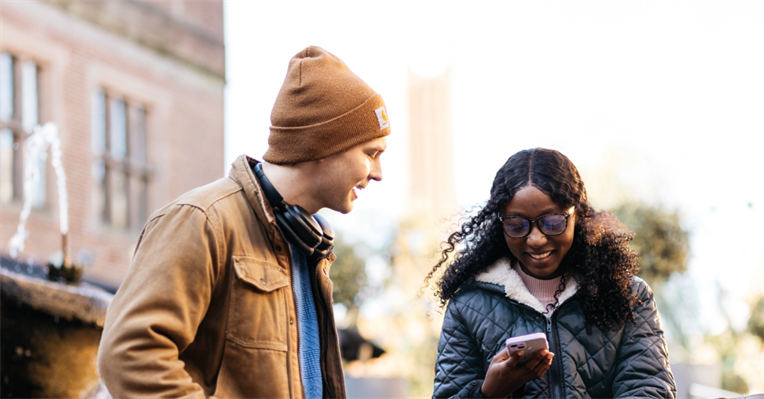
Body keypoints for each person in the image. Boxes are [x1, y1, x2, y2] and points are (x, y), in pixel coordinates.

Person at [97, 46, 390, 399]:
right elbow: (129, 355)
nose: (378, 174)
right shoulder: (201, 220)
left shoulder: (308, 245)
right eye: (371, 154)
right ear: (322, 144)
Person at [428, 148, 677, 399]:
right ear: (500, 223)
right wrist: (490, 394)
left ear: (576, 215)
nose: (536, 239)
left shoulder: (630, 295)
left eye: (552, 222)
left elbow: (649, 388)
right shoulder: (467, 307)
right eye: (517, 225)